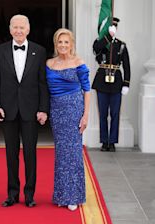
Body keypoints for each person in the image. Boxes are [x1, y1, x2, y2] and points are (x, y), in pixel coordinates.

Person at [0, 14, 50, 208]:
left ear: (28, 30)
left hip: (31, 111)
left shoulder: (39, 51)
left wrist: (43, 109)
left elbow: (43, 83)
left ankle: (30, 195)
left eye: (22, 27)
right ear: (10, 29)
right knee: (10, 154)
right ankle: (12, 194)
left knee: (30, 154)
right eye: (15, 27)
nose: (18, 31)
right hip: (8, 111)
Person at [46, 28, 91, 211]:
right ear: (56, 45)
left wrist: (86, 115)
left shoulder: (78, 62)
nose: (63, 45)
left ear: (71, 44)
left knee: (73, 154)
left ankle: (74, 196)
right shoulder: (49, 63)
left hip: (74, 110)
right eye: (60, 42)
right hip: (56, 111)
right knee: (61, 153)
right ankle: (61, 195)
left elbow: (87, 90)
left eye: (66, 42)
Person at [92, 17, 130, 152]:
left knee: (115, 113)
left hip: (116, 82)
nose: (113, 28)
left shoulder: (121, 45)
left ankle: (112, 141)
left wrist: (126, 83)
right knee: (102, 113)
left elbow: (126, 66)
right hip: (102, 80)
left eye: (114, 26)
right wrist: (108, 36)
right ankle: (104, 141)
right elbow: (96, 48)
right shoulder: (100, 42)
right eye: (110, 26)